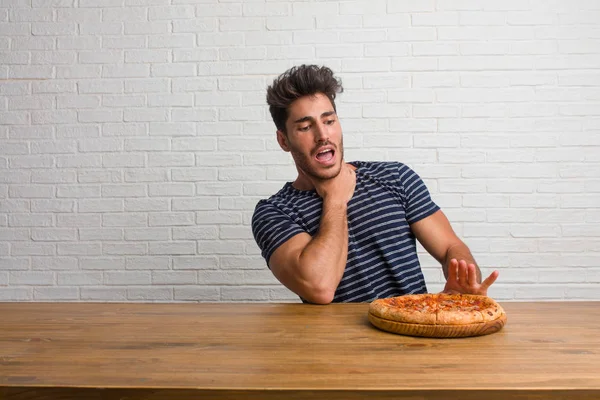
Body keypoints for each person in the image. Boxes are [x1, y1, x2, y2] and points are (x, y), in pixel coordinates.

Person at [251, 64, 499, 304]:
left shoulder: (395, 177)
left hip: (413, 337)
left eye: (329, 121)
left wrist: (465, 282)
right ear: (283, 141)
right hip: (335, 345)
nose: (322, 135)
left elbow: (451, 247)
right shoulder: (274, 213)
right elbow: (320, 287)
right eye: (305, 127)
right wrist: (336, 199)